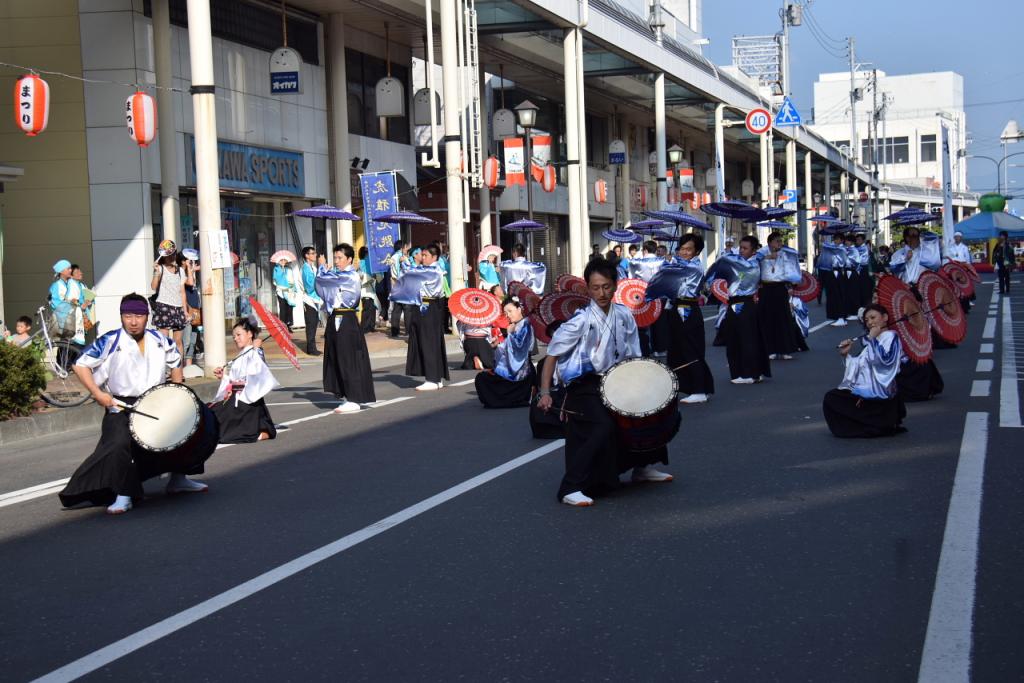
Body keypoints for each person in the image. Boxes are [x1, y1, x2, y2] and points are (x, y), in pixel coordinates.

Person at [58, 293, 212, 515]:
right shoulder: (110, 340)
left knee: (186, 428)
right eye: (127, 315)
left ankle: (179, 479)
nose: (133, 321)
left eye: (138, 315)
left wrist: (176, 394)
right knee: (120, 443)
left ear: (147, 317)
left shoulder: (161, 340)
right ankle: (123, 493)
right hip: (120, 404)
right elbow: (80, 365)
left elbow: (176, 363)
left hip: (155, 401)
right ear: (121, 316)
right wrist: (97, 393)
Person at [538, 258, 673, 507]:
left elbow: (634, 353)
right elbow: (552, 356)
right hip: (585, 384)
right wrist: (545, 392)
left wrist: (644, 383)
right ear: (588, 289)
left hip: (619, 377)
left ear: (615, 286)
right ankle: (571, 486)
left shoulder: (623, 314)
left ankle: (641, 467)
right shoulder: (579, 320)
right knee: (603, 425)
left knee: (652, 410)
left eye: (607, 286)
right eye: (595, 287)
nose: (601, 293)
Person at [647, 233, 714, 403]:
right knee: (677, 350)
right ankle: (682, 387)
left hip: (688, 310)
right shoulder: (678, 264)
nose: (684, 252)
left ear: (697, 251)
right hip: (676, 308)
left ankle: (699, 389)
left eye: (688, 249)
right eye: (681, 249)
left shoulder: (695, 267)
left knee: (691, 349)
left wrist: (669, 261)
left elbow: (678, 270)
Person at [823, 304, 907, 438]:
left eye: (873, 317)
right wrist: (846, 355)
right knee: (832, 398)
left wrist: (872, 339)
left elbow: (884, 362)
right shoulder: (874, 339)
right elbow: (861, 364)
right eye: (867, 320)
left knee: (833, 399)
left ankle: (876, 424)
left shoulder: (891, 336)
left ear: (885, 317)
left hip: (879, 391)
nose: (870, 322)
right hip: (867, 386)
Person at [316, 244, 377, 413]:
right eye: (335, 258)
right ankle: (346, 394)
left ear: (349, 259)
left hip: (346, 319)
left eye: (340, 258)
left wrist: (322, 267)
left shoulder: (350, 275)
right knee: (336, 356)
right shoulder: (339, 274)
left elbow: (324, 282)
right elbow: (324, 289)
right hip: (335, 317)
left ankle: (354, 398)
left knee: (348, 358)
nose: (336, 261)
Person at [707, 235, 771, 384]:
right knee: (734, 339)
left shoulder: (753, 264)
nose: (741, 251)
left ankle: (751, 373)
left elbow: (741, 270)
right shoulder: (738, 261)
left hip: (745, 303)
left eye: (745, 248)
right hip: (733, 303)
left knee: (748, 340)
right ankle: (744, 372)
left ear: (754, 251)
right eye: (740, 247)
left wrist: (728, 258)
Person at [392, 244, 449, 390]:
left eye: (425, 256)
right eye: (422, 255)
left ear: (434, 257)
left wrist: (405, 261)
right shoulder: (428, 269)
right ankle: (436, 377)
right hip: (425, 307)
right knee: (429, 341)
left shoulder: (433, 270)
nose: (422, 258)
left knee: (428, 341)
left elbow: (412, 272)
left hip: (428, 307)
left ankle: (432, 378)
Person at [211, 319, 279, 443]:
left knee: (221, 424)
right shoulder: (241, 355)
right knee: (212, 411)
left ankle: (259, 432)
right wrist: (223, 377)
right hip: (236, 397)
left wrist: (257, 350)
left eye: (238, 335)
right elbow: (233, 380)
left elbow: (258, 373)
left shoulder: (255, 352)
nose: (236, 339)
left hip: (247, 400)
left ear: (249, 334)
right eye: (234, 336)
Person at [474, 295, 535, 408]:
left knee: (484, 379)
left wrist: (510, 335)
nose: (508, 315)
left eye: (510, 311)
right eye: (506, 313)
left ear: (519, 309)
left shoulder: (525, 326)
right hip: (513, 366)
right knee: (482, 378)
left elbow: (519, 349)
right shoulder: (516, 326)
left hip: (521, 370)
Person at [756, 231, 805, 360]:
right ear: (770, 242)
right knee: (767, 318)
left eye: (781, 241)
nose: (780, 243)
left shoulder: (785, 253)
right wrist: (769, 257)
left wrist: (791, 284)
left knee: (783, 318)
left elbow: (790, 270)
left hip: (780, 287)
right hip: (766, 287)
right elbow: (754, 260)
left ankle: (785, 349)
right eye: (777, 241)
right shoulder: (761, 252)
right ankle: (770, 349)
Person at [150, 240, 190, 359]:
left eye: (173, 254)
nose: (171, 257)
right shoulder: (160, 268)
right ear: (164, 256)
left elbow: (182, 292)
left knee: (178, 341)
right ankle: (165, 369)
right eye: (168, 255)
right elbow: (153, 287)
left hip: (178, 308)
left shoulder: (180, 271)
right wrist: (156, 272)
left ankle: (178, 369)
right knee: (164, 341)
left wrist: (185, 310)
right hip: (164, 306)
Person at [49, 258, 85, 344]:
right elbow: (55, 304)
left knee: (77, 347)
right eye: (68, 269)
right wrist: (70, 303)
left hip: (75, 320)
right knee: (66, 349)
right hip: (66, 323)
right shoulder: (56, 285)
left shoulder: (72, 283)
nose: (70, 270)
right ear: (61, 271)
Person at [818, 232, 847, 327]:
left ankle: (841, 317)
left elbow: (833, 249)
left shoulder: (842, 248)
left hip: (838, 272)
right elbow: (828, 249)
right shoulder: (834, 247)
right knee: (832, 295)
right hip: (831, 272)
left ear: (841, 240)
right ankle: (837, 316)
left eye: (837, 239)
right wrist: (823, 241)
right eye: (834, 239)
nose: (835, 241)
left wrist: (824, 243)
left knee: (839, 295)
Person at [299, 246, 323, 355]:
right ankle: (311, 349)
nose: (315, 255)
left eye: (315, 253)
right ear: (306, 255)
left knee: (314, 323)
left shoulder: (312, 267)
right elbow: (309, 286)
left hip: (315, 299)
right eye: (312, 253)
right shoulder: (305, 268)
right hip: (309, 299)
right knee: (311, 324)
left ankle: (312, 348)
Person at [181, 249, 201, 367]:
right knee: (186, 340)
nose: (193, 263)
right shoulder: (182, 275)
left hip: (195, 310)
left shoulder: (192, 274)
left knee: (193, 340)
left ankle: (188, 365)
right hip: (188, 310)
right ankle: (181, 366)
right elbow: (189, 282)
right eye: (190, 261)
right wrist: (190, 269)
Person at [358, 245, 382, 334]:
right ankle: (364, 327)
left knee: (372, 309)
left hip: (372, 289)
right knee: (367, 309)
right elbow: (361, 276)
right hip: (365, 290)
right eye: (367, 252)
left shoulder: (371, 262)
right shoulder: (361, 262)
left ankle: (371, 326)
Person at [388, 241, 410, 337]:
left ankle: (394, 331)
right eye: (406, 248)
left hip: (395, 284)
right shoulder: (403, 257)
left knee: (397, 309)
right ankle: (408, 331)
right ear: (402, 247)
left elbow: (393, 272)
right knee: (407, 309)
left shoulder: (392, 257)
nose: (406, 250)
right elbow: (409, 270)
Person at [272, 256, 297, 330]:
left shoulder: (289, 269)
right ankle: (282, 325)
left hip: (289, 291)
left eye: (284, 260)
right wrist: (282, 270)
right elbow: (277, 279)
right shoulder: (276, 269)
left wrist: (294, 289)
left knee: (290, 308)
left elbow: (292, 280)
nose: (283, 261)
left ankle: (289, 325)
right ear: (278, 261)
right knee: (282, 308)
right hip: (281, 291)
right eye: (281, 260)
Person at [992, 230, 1014, 294]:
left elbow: (1011, 254)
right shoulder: (998, 244)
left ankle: (1007, 289)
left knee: (1007, 276)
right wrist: (995, 261)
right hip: (1000, 262)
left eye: (1002, 235)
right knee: (1001, 277)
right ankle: (1002, 290)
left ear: (1005, 236)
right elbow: (994, 252)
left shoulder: (1008, 244)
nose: (1001, 237)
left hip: (1007, 262)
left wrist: (1011, 263)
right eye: (1000, 235)